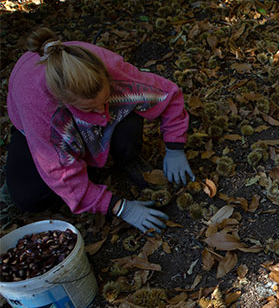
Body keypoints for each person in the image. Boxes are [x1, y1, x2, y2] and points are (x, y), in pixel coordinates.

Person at [4, 27, 194, 232]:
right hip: (37, 129)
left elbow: (166, 94)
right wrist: (120, 208)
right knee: (30, 197)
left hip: (85, 102)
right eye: (89, 108)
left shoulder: (110, 67)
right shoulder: (38, 107)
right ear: (65, 101)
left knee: (127, 133)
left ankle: (118, 155)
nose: (102, 111)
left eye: (105, 100)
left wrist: (175, 147)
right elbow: (59, 172)